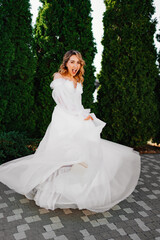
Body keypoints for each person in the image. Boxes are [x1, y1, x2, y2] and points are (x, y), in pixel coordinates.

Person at [0, 50, 141, 213]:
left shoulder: (78, 81)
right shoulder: (58, 77)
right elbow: (63, 101)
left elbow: (77, 104)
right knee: (61, 155)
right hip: (64, 121)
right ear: (66, 62)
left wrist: (86, 116)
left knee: (84, 155)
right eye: (72, 61)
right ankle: (49, 187)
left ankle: (76, 188)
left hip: (78, 118)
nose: (75, 65)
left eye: (78, 62)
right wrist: (79, 117)